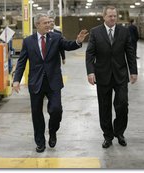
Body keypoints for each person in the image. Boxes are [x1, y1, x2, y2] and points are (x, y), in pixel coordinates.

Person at [13, 13, 88, 153]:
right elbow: (22, 61)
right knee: (36, 114)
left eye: (49, 22)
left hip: (53, 81)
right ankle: (40, 142)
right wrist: (16, 79)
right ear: (37, 25)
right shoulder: (28, 41)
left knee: (56, 110)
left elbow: (67, 45)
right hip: (36, 82)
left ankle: (53, 132)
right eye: (45, 22)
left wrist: (77, 41)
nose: (49, 24)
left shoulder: (56, 37)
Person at [85, 6, 138, 149]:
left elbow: (130, 52)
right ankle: (108, 136)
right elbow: (90, 54)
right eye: (110, 16)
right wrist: (90, 72)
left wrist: (133, 71)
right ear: (104, 17)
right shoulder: (95, 32)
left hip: (120, 75)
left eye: (115, 16)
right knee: (104, 107)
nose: (113, 18)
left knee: (122, 104)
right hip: (102, 75)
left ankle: (119, 132)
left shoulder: (124, 31)